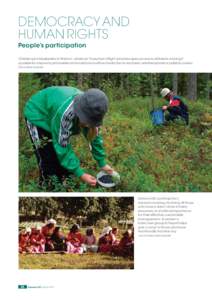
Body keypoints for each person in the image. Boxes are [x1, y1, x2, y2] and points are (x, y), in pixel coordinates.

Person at [24, 86, 115, 187]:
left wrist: (102, 163)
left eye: (91, 121)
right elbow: (62, 146)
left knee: (62, 164)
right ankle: (47, 187)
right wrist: (80, 173)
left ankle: (64, 184)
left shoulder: (93, 109)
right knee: (48, 159)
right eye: (87, 120)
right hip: (39, 114)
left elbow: (94, 138)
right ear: (81, 111)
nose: (88, 125)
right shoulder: (66, 114)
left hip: (54, 113)